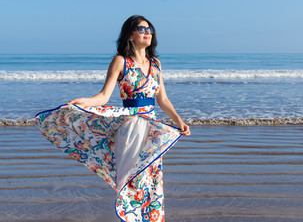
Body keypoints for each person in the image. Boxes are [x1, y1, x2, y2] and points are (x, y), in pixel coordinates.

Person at [35, 15, 190, 222]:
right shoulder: (120, 62)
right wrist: (85, 102)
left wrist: (179, 122)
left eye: (150, 29)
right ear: (130, 35)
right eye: (142, 29)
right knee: (132, 179)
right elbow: (104, 96)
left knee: (151, 180)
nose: (148, 32)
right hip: (130, 128)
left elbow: (162, 99)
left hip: (152, 130)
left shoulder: (156, 64)